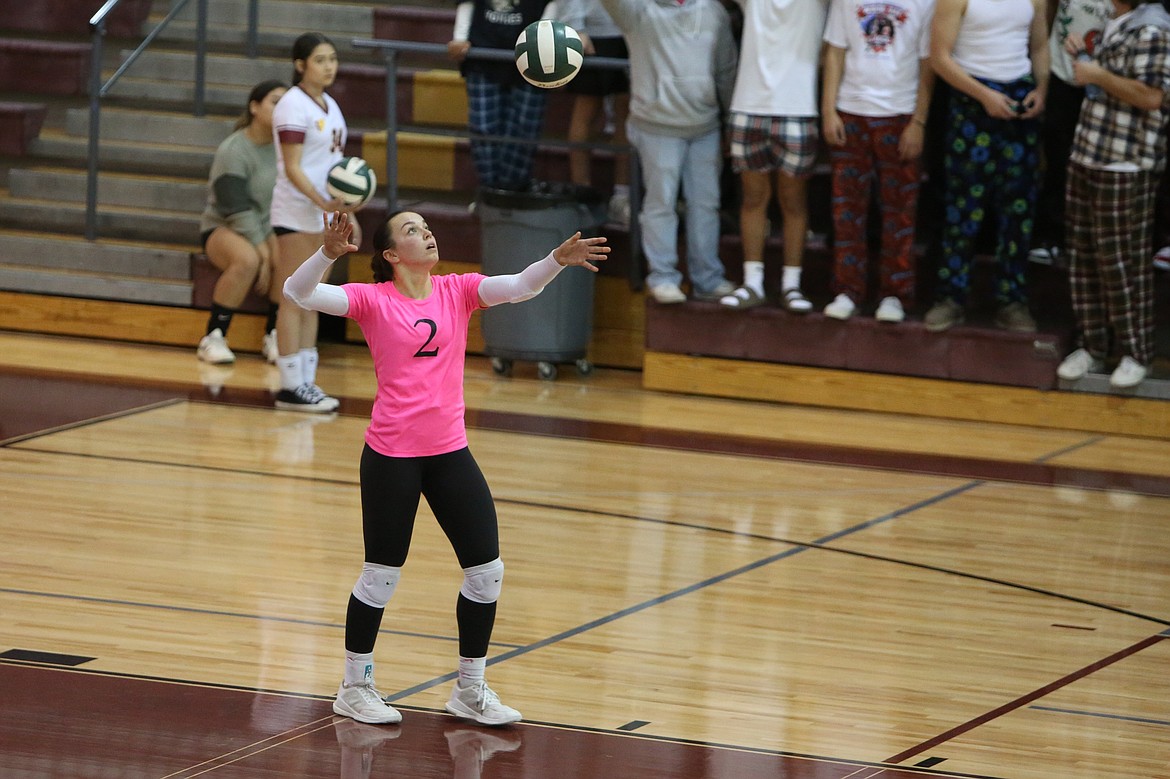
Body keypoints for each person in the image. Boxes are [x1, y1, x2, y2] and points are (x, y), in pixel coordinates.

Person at [283, 210, 609, 726]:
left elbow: (521, 287)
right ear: (391, 255)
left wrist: (555, 261)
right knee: (381, 576)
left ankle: (470, 688)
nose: (426, 233)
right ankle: (354, 685)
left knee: (486, 572)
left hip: (449, 452)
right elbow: (300, 293)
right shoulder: (374, 300)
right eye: (411, 230)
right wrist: (326, 252)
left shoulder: (456, 290)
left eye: (426, 226)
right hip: (392, 456)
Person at [1056, 0, 1170, 389]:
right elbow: (1102, 80)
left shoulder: (1152, 29)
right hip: (1089, 153)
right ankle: (1093, 345)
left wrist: (1097, 73)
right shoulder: (1117, 21)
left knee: (1122, 263)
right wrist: (1085, 58)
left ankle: (1136, 352)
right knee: (1083, 256)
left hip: (1125, 163)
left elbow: (1151, 96)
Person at [599, 0, 738, 304]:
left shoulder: (713, 11)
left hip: (706, 126)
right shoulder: (636, 11)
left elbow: (726, 69)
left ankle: (707, 279)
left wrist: (730, 120)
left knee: (707, 205)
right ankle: (662, 277)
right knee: (660, 204)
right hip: (655, 127)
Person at [924, 0, 1049, 333]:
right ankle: (950, 298)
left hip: (1020, 99)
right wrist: (984, 95)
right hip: (972, 101)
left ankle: (1012, 301)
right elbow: (939, 57)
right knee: (963, 209)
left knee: (1018, 211)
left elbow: (1039, 45)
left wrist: (1043, 88)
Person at [820, 0, 936, 323]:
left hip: (900, 114)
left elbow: (929, 62)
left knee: (899, 212)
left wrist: (919, 121)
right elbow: (834, 51)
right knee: (847, 211)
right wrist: (829, 110)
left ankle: (894, 294)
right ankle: (847, 289)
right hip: (851, 110)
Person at [717, 0, 828, 313]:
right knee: (753, 199)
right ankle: (753, 282)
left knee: (793, 201)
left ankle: (791, 285)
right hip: (748, 106)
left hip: (798, 109)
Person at [270, 32, 356, 413]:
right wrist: (324, 202)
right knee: (293, 297)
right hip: (295, 213)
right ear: (300, 64)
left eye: (332, 59)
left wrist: (345, 207)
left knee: (312, 297)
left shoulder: (330, 105)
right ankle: (290, 385)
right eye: (320, 59)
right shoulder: (292, 105)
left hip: (322, 214)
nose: (328, 66)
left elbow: (334, 167)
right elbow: (292, 168)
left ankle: (306, 381)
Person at [197, 80, 287, 364]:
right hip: (223, 225)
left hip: (267, 225)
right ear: (254, 107)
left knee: (287, 258)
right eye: (275, 102)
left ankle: (274, 334)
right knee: (247, 260)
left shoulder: (285, 149)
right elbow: (233, 205)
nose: (282, 109)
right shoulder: (234, 149)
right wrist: (261, 247)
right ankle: (214, 337)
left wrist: (271, 245)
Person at [1028, 0, 1113, 265]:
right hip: (1060, 74)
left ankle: (1087, 242)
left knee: (1099, 164)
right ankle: (1050, 236)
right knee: (1057, 159)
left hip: (1104, 83)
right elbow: (1047, 12)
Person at [448, 1, 556, 193]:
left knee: (525, 128)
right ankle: (491, 191)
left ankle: (512, 191)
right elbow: (467, 2)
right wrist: (460, 37)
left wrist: (542, 43)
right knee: (482, 127)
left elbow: (554, 5)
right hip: (482, 55)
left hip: (532, 60)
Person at [558, 0, 633, 226]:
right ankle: (582, 194)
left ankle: (622, 197)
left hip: (635, 28)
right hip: (593, 32)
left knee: (627, 112)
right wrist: (576, 28)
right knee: (587, 109)